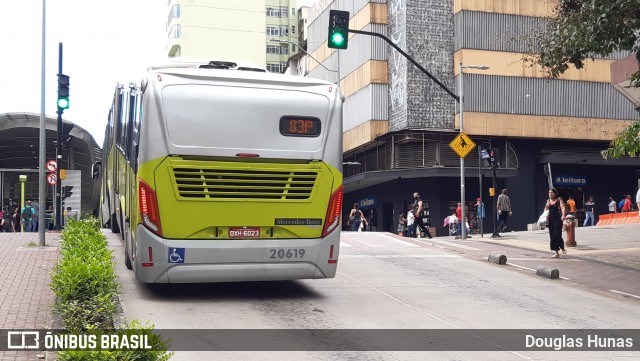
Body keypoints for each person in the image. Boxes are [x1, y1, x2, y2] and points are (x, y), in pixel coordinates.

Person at [546, 188, 567, 258]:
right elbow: (545, 211)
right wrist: (547, 206)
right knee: (552, 236)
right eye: (549, 192)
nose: (550, 194)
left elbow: (563, 207)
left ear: (555, 193)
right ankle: (556, 252)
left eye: (552, 192)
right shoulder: (548, 201)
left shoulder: (559, 199)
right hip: (550, 221)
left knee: (556, 235)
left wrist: (563, 215)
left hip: (558, 219)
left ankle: (562, 247)